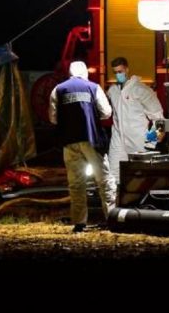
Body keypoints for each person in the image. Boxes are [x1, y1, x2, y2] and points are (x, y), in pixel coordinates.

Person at [48, 61, 114, 233]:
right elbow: (106, 113)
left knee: (76, 183)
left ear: (70, 73)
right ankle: (112, 218)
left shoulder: (58, 89)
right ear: (85, 73)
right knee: (104, 181)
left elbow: (53, 118)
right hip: (92, 139)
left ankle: (79, 222)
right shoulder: (93, 87)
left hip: (69, 141)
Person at [106, 56, 165, 191]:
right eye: (115, 72)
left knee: (141, 178)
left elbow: (160, 119)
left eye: (120, 71)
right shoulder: (113, 91)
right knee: (113, 176)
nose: (118, 75)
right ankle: (116, 203)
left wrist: (150, 143)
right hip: (118, 141)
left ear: (127, 69)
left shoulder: (141, 90)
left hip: (138, 141)